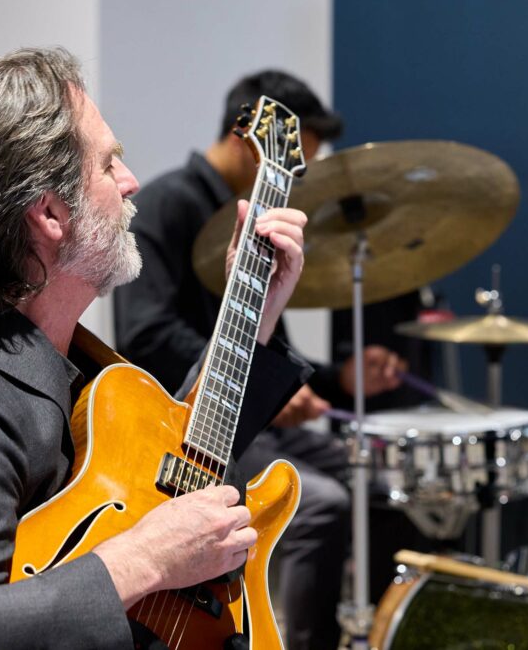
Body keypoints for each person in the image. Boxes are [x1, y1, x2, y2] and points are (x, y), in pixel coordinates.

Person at [0, 47, 312, 648]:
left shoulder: (52, 346)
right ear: (49, 214)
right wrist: (145, 559)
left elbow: (174, 467)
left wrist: (257, 316)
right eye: (109, 164)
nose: (131, 181)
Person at [113, 70, 405, 650]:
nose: (297, 185)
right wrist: (229, 372)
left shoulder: (257, 222)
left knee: (376, 477)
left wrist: (338, 380)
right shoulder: (168, 204)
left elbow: (263, 342)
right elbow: (144, 333)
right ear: (252, 145)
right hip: (187, 425)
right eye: (297, 170)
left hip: (250, 418)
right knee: (321, 502)